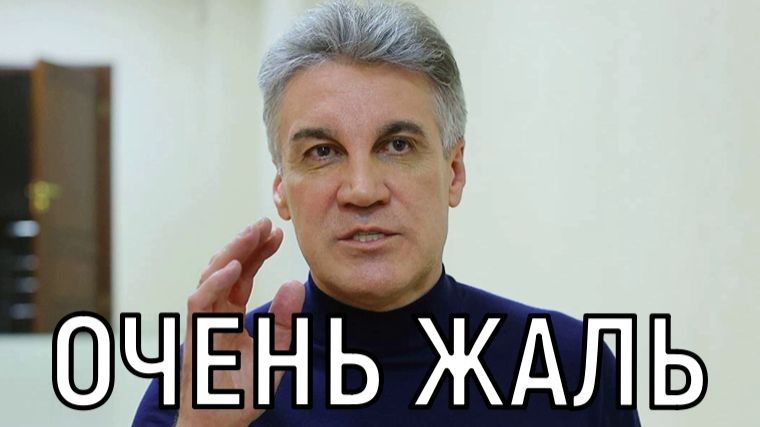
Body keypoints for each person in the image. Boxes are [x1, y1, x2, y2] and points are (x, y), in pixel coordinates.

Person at [133, 1, 641, 425]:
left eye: (397, 145)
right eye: (322, 152)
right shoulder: (203, 381)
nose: (362, 190)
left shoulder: (573, 371)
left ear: (454, 171)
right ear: (282, 189)